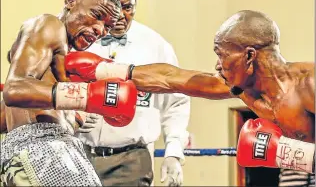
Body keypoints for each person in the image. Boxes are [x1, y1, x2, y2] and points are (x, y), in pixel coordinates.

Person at [65, 10, 315, 177]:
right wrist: (104, 70)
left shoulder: (309, 86)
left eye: (222, 54)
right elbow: (172, 79)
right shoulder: (241, 88)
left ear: (249, 55)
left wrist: (298, 156)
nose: (217, 64)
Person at [1, 0, 138, 186]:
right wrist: (86, 97)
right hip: (41, 150)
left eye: (107, 27)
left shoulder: (61, 56)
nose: (100, 30)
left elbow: (10, 111)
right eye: (97, 15)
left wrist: (76, 118)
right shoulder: (49, 25)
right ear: (71, 0)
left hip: (55, 149)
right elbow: (14, 89)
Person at [74, 0, 190, 187]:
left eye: (127, 7)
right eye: (115, 7)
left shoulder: (156, 46)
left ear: (136, 5)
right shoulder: (81, 39)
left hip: (131, 159)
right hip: (80, 153)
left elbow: (176, 103)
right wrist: (72, 112)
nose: (120, 15)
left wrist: (174, 153)